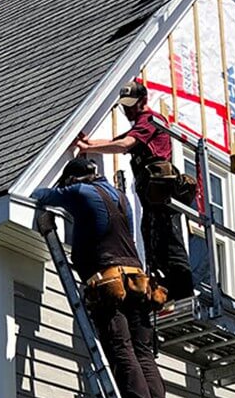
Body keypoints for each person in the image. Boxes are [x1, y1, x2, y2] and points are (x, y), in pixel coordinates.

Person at [34, 156, 171, 398]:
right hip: (137, 282)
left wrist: (58, 191)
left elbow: (40, 194)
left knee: (121, 350)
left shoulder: (78, 191)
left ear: (73, 179)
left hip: (109, 283)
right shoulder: (121, 197)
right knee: (143, 353)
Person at [74, 81, 194, 299]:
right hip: (152, 197)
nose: (128, 110)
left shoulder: (150, 121)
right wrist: (88, 144)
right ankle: (166, 292)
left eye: (131, 105)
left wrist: (89, 147)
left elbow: (124, 145)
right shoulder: (140, 126)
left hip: (162, 195)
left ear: (144, 101)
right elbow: (115, 141)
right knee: (153, 240)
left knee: (168, 240)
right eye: (125, 106)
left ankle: (183, 293)